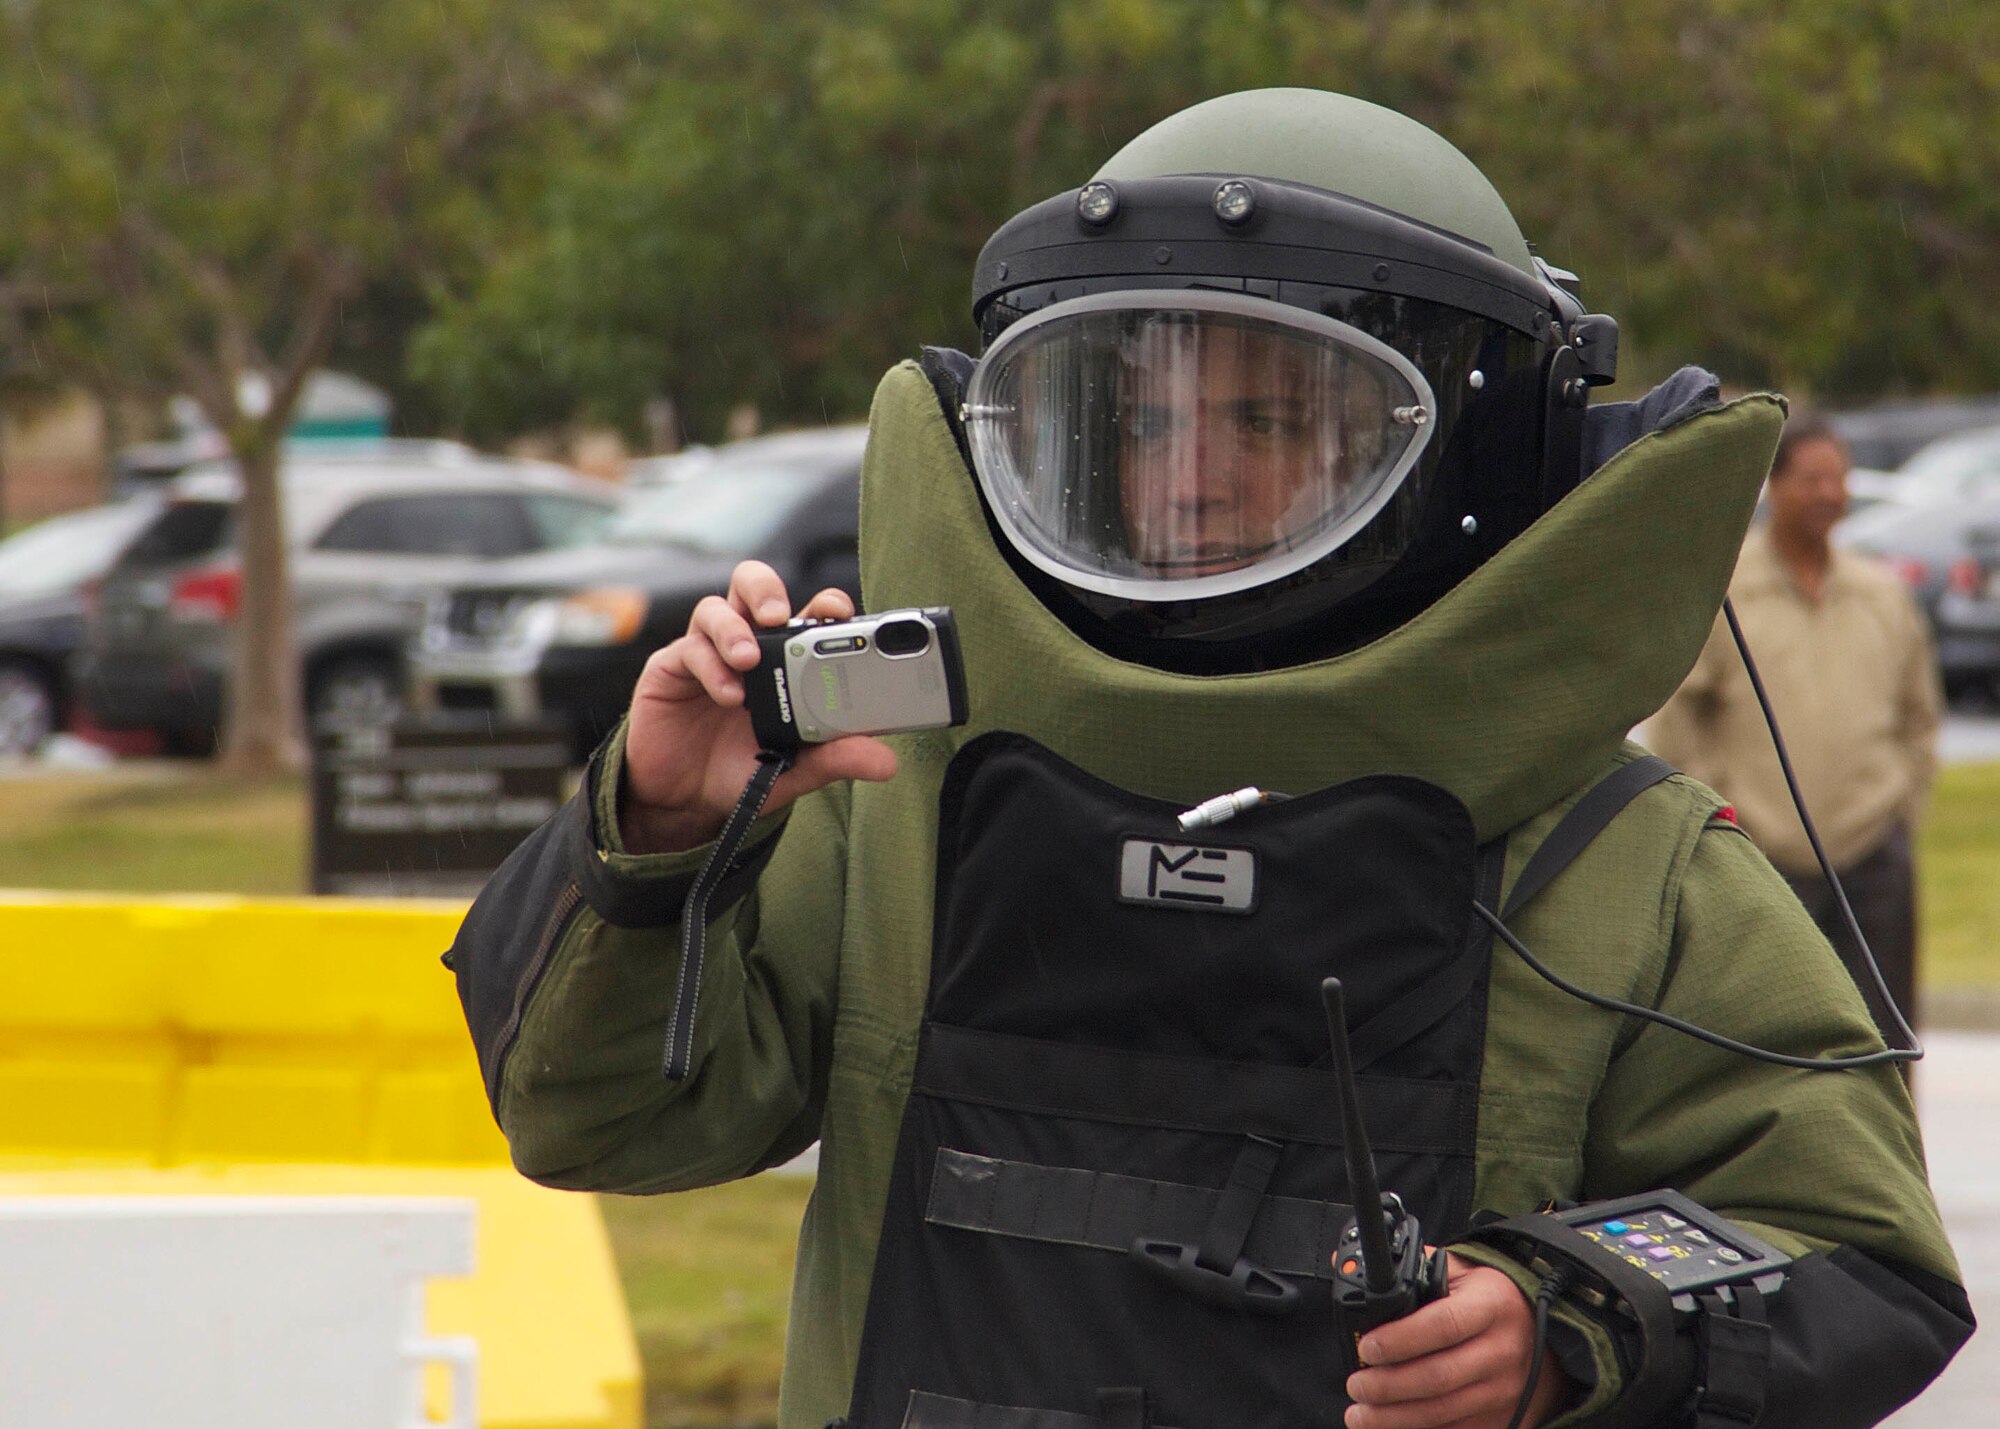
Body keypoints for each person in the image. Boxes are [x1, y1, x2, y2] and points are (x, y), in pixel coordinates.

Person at [449, 90, 1971, 1429]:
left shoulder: (1621, 868)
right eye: (1135, 415)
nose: (1186, 479)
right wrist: (654, 833)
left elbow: (1856, 1255)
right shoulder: (889, 804)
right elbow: (594, 1120)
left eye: (1274, 417)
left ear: (1474, 452)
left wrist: (1565, 1326)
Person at [1645, 412, 1943, 1047]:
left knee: (1883, 1047)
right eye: (1812, 479)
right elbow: (1676, 719)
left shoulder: (1882, 594)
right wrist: (1716, 827)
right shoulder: (1726, 593)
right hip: (1761, 862)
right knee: (1764, 1048)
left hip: (1873, 861)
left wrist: (1900, 813)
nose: (1829, 494)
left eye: (1839, 479)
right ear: (1774, 486)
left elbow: (1920, 721)